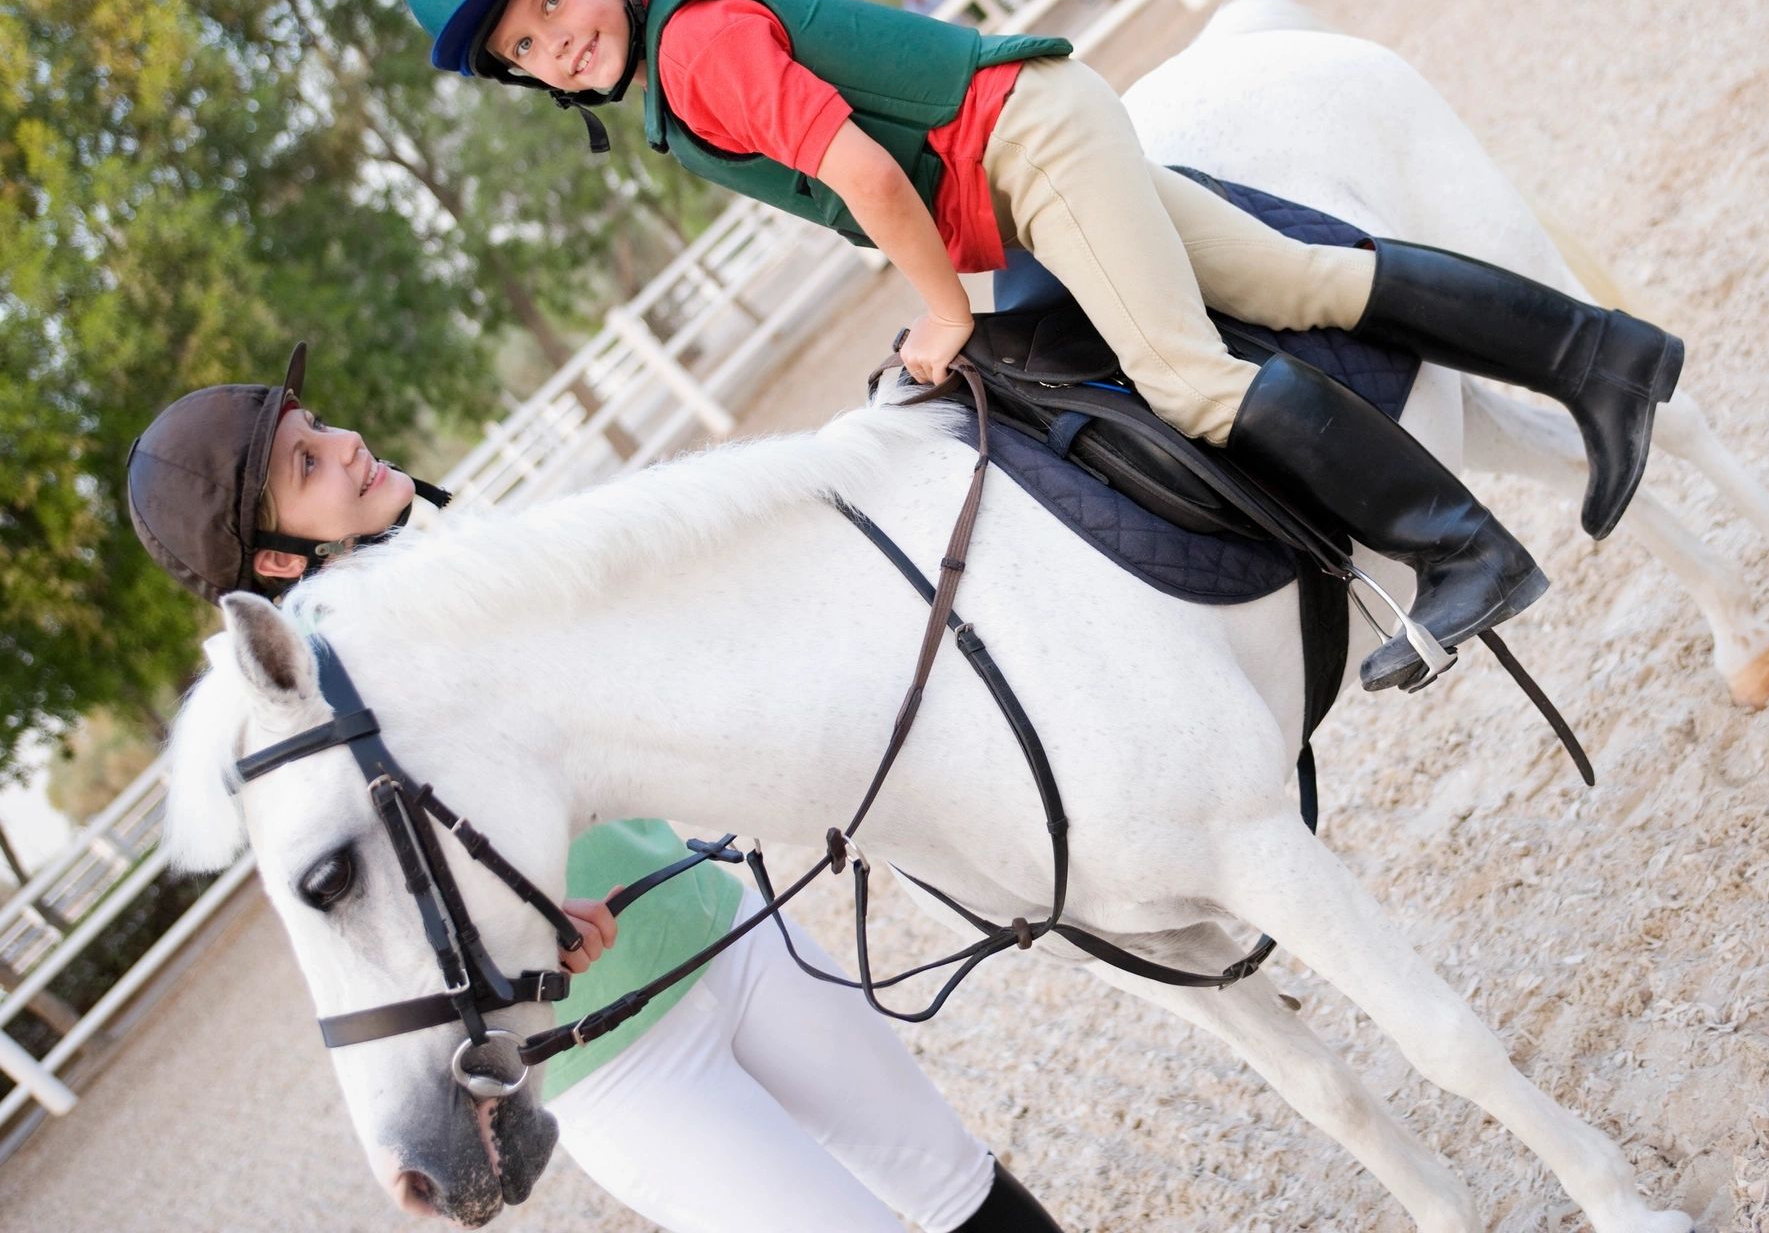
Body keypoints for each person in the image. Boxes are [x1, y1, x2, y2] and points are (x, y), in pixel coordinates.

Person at [396, 0, 1688, 692]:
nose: (555, 46)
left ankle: (1466, 556)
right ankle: (1607, 361)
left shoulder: (696, 54)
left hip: (1025, 149)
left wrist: (946, 314)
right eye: (522, 45)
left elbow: (871, 179)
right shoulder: (674, 57)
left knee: (1185, 380)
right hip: (1037, 140)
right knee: (1298, 281)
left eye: (555, 2)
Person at [124, 344, 1064, 1233]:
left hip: (717, 926)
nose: (346, 447)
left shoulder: (449, 562)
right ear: (280, 561)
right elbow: (387, 916)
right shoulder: (318, 729)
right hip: (618, 1063)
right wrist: (526, 923)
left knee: (953, 1177)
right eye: (306, 464)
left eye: (319, 427)